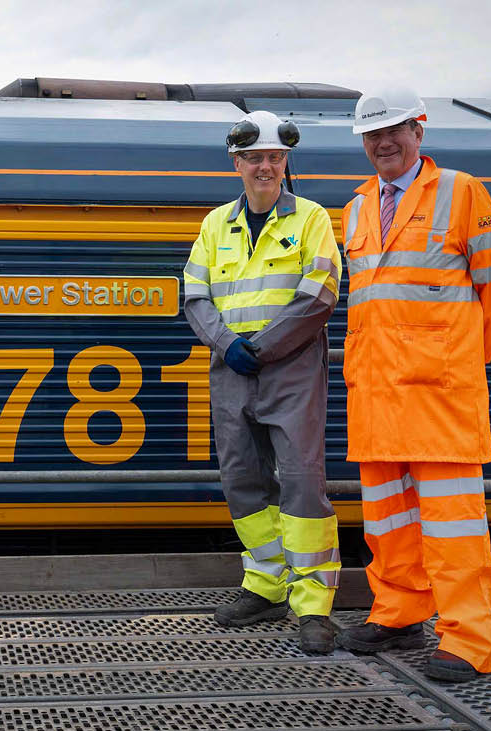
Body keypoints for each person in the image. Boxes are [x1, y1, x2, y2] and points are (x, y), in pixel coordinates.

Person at [335, 86, 491, 682]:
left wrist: (462, 358)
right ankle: (398, 611)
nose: (383, 142)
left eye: (395, 130)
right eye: (372, 134)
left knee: (453, 523)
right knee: (387, 519)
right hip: (375, 390)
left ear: (420, 131)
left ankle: (467, 639)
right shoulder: (357, 206)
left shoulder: (462, 191)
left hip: (438, 391)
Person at [183, 111, 342, 654]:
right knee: (244, 479)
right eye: (254, 158)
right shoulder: (214, 224)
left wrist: (264, 348)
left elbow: (320, 292)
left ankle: (314, 604)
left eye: (274, 157)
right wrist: (228, 345)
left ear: (285, 162)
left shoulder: (311, 218)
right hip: (231, 368)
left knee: (300, 480)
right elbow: (194, 295)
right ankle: (266, 584)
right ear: (237, 164)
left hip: (290, 368)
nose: (265, 167)